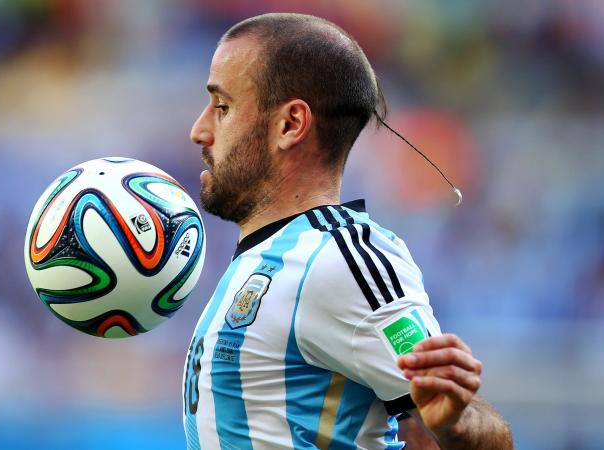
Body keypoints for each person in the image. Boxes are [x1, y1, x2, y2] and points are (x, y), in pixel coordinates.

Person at [184, 12, 513, 450]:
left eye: (222, 107)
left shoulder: (338, 259)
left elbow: (442, 420)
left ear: (290, 124)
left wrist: (455, 423)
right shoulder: (264, 259)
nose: (199, 131)